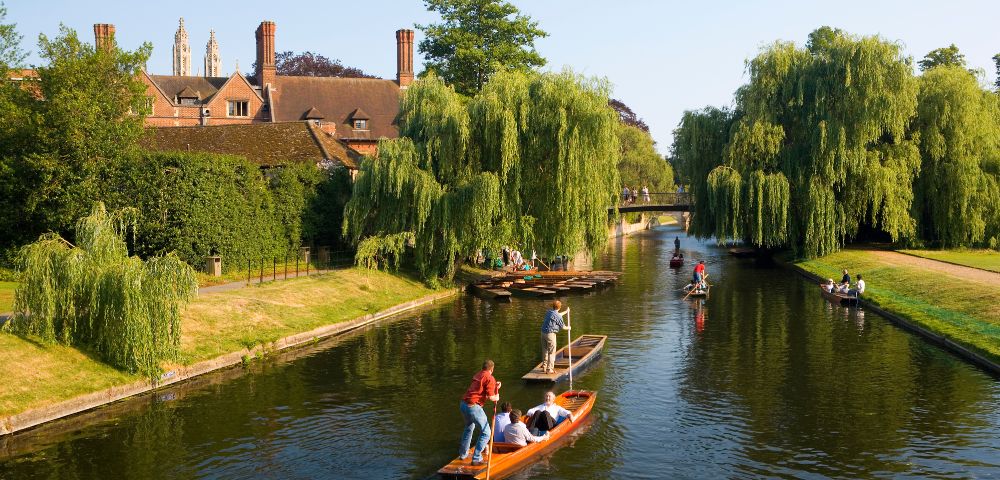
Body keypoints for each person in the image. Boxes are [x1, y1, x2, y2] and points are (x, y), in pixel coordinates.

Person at [458, 360, 501, 466]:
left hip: (463, 404)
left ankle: (463, 454)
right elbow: (491, 397)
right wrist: (497, 397)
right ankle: (476, 458)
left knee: (469, 427)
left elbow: (481, 391)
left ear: (483, 368)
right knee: (487, 433)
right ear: (492, 369)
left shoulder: (478, 374)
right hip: (473, 407)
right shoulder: (490, 378)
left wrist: (495, 386)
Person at [541, 300, 570, 374]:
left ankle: (544, 367)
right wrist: (568, 327)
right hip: (550, 334)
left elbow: (557, 315)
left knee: (545, 350)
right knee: (551, 352)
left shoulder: (549, 312)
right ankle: (549, 369)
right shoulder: (558, 316)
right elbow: (563, 327)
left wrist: (566, 312)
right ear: (559, 307)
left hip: (543, 333)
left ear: (553, 306)